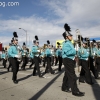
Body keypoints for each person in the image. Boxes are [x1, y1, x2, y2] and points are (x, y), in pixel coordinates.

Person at [61, 23, 85, 96]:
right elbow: (67, 53)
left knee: (67, 74)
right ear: (67, 37)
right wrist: (75, 50)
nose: (71, 36)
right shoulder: (65, 43)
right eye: (70, 35)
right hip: (67, 60)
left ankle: (64, 87)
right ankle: (75, 91)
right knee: (72, 76)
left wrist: (76, 52)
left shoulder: (70, 43)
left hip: (70, 60)